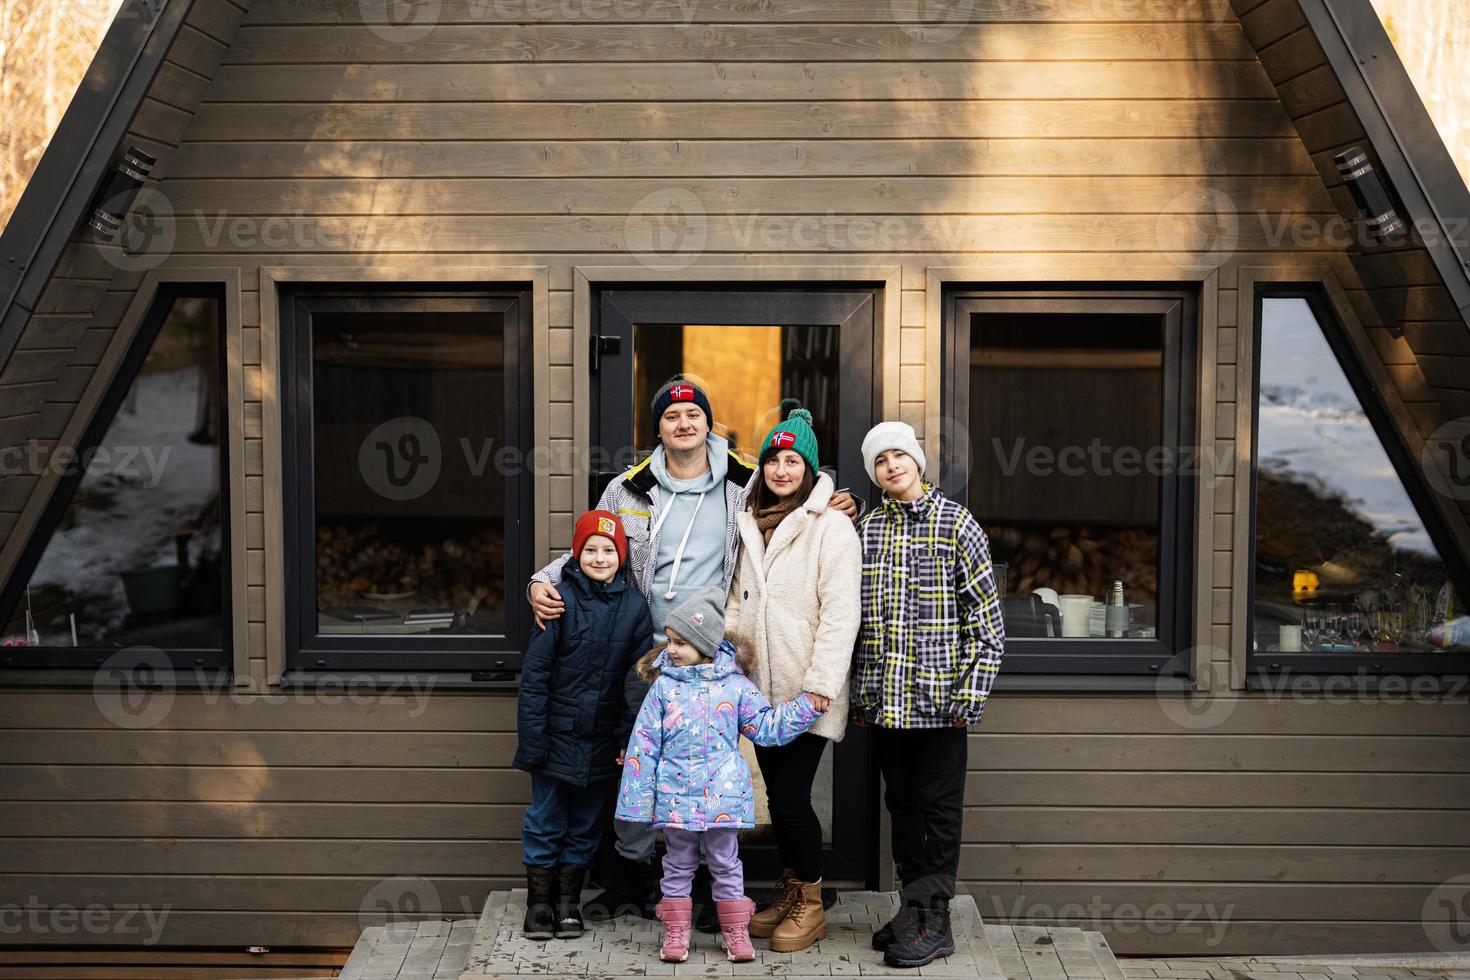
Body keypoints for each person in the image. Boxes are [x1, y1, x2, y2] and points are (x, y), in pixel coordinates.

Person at [526, 380, 860, 921]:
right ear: (657, 428)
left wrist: (846, 499)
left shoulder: (742, 484)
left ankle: (707, 887)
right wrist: (539, 582)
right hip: (639, 650)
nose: (684, 423)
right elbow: (590, 546)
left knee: (704, 770)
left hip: (708, 658)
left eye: (694, 415)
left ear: (710, 424)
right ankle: (630, 878)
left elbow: (796, 487)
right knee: (635, 763)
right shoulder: (627, 489)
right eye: (672, 416)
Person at [852, 421, 1006, 969]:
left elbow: (987, 622)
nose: (892, 466)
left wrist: (968, 697)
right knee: (902, 807)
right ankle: (911, 908)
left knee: (939, 812)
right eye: (880, 461)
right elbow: (857, 621)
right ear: (874, 474)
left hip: (941, 705)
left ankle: (935, 921)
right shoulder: (867, 529)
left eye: (900, 455)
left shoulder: (955, 523)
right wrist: (862, 695)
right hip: (885, 706)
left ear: (917, 461)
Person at [615, 589, 823, 963]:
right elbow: (642, 745)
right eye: (670, 640)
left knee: (726, 863)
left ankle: (735, 932)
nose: (672, 649)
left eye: (681, 642)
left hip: (721, 799)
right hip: (676, 797)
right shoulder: (664, 687)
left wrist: (805, 707)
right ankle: (676, 933)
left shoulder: (736, 686)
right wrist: (637, 800)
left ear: (705, 644)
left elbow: (765, 726)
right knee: (676, 864)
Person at [723, 407, 861, 951]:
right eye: (774, 460)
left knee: (790, 798)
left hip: (807, 690)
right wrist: (729, 661)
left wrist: (822, 682)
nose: (782, 470)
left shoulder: (831, 526)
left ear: (809, 468)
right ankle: (791, 888)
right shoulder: (749, 522)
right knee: (777, 799)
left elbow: (840, 612)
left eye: (792, 460)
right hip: (759, 691)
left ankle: (811, 904)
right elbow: (737, 603)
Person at [513, 510, 653, 940]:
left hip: (600, 739)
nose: (598, 557)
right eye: (590, 549)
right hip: (555, 736)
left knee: (586, 821)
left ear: (622, 557)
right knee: (546, 817)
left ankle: (569, 902)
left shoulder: (634, 607)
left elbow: (637, 681)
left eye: (608, 550)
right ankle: (540, 903)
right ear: (576, 553)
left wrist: (626, 738)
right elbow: (535, 676)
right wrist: (533, 738)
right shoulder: (558, 600)